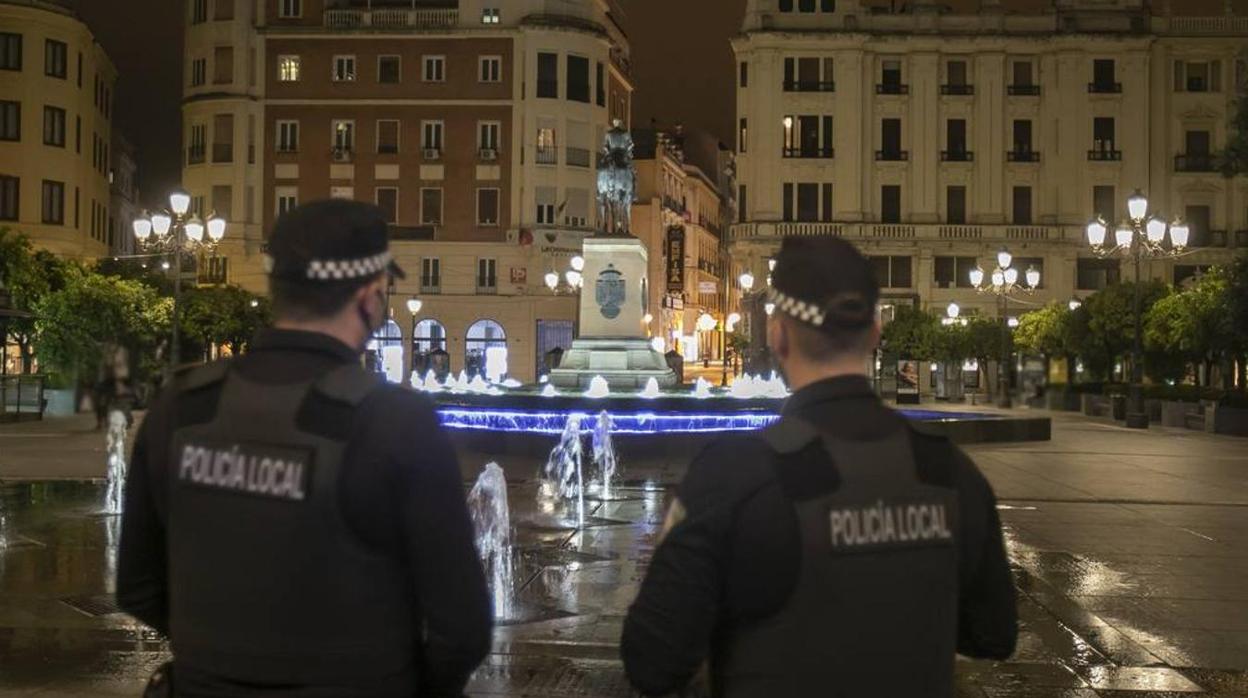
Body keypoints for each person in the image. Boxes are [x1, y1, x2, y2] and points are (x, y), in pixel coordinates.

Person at [117, 199, 493, 697]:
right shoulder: (397, 423)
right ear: (371, 296)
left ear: (278, 288)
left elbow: (137, 585)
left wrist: (226, 655)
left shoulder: (181, 406)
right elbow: (462, 629)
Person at [621, 237, 1017, 697]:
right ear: (874, 333)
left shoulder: (736, 475)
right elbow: (994, 634)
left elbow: (652, 660)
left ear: (778, 334)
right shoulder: (949, 470)